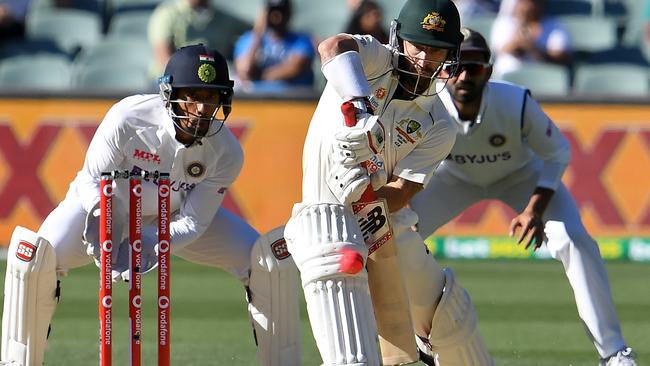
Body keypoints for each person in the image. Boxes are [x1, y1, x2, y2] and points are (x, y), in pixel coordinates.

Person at [0, 44, 301, 366]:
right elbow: (90, 180)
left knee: (268, 264)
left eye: (210, 97)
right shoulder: (128, 117)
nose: (201, 108)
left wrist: (152, 242)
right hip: (102, 207)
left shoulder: (226, 152)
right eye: (192, 96)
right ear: (168, 93)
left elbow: (194, 223)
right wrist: (105, 218)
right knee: (36, 260)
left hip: (169, 217)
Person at [410, 28, 638, 366]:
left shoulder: (515, 102)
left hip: (519, 176)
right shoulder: (427, 106)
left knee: (573, 240)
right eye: (456, 66)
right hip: (453, 178)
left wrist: (534, 208)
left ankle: (615, 354)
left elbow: (557, 153)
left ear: (488, 69)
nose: (463, 76)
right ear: (443, 69)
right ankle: (420, 336)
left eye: (473, 67)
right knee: (398, 237)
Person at [283, 0, 494, 365]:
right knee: (336, 272)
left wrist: (368, 194)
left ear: (452, 55)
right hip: (325, 214)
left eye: (437, 51)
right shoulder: (375, 60)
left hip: (383, 221)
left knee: (450, 313)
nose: (425, 60)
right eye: (419, 46)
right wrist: (359, 104)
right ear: (399, 40)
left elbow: (403, 192)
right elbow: (332, 46)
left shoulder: (440, 126)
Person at [147, 0, 250, 79]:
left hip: (215, 81)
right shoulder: (167, 14)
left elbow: (255, 30)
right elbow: (163, 59)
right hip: (172, 83)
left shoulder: (223, 18)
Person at [233, 0, 315, 92]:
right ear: (265, 14)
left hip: (292, 101)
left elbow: (293, 69)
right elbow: (244, 71)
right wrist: (258, 34)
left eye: (282, 11)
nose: (277, 16)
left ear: (289, 13)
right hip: (254, 100)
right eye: (273, 11)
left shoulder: (302, 41)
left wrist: (257, 76)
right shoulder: (248, 39)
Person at [490, 0, 571, 78]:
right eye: (523, 1)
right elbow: (502, 50)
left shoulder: (556, 26)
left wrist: (533, 49)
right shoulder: (504, 23)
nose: (527, 6)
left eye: (532, 1)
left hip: (542, 79)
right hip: (508, 76)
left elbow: (561, 56)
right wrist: (522, 24)